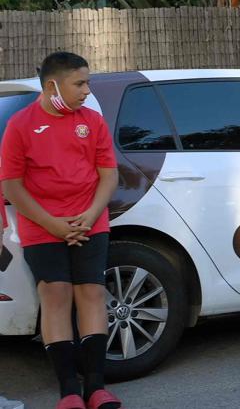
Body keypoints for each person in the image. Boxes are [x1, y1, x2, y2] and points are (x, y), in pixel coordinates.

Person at [0, 52, 122, 409]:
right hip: (42, 226)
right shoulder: (20, 125)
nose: (87, 91)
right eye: (79, 83)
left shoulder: (93, 121)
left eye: (87, 83)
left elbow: (108, 174)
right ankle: (69, 392)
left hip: (90, 222)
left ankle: (97, 388)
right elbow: (12, 185)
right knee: (55, 296)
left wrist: (90, 214)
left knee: (92, 295)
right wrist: (52, 223)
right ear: (53, 84)